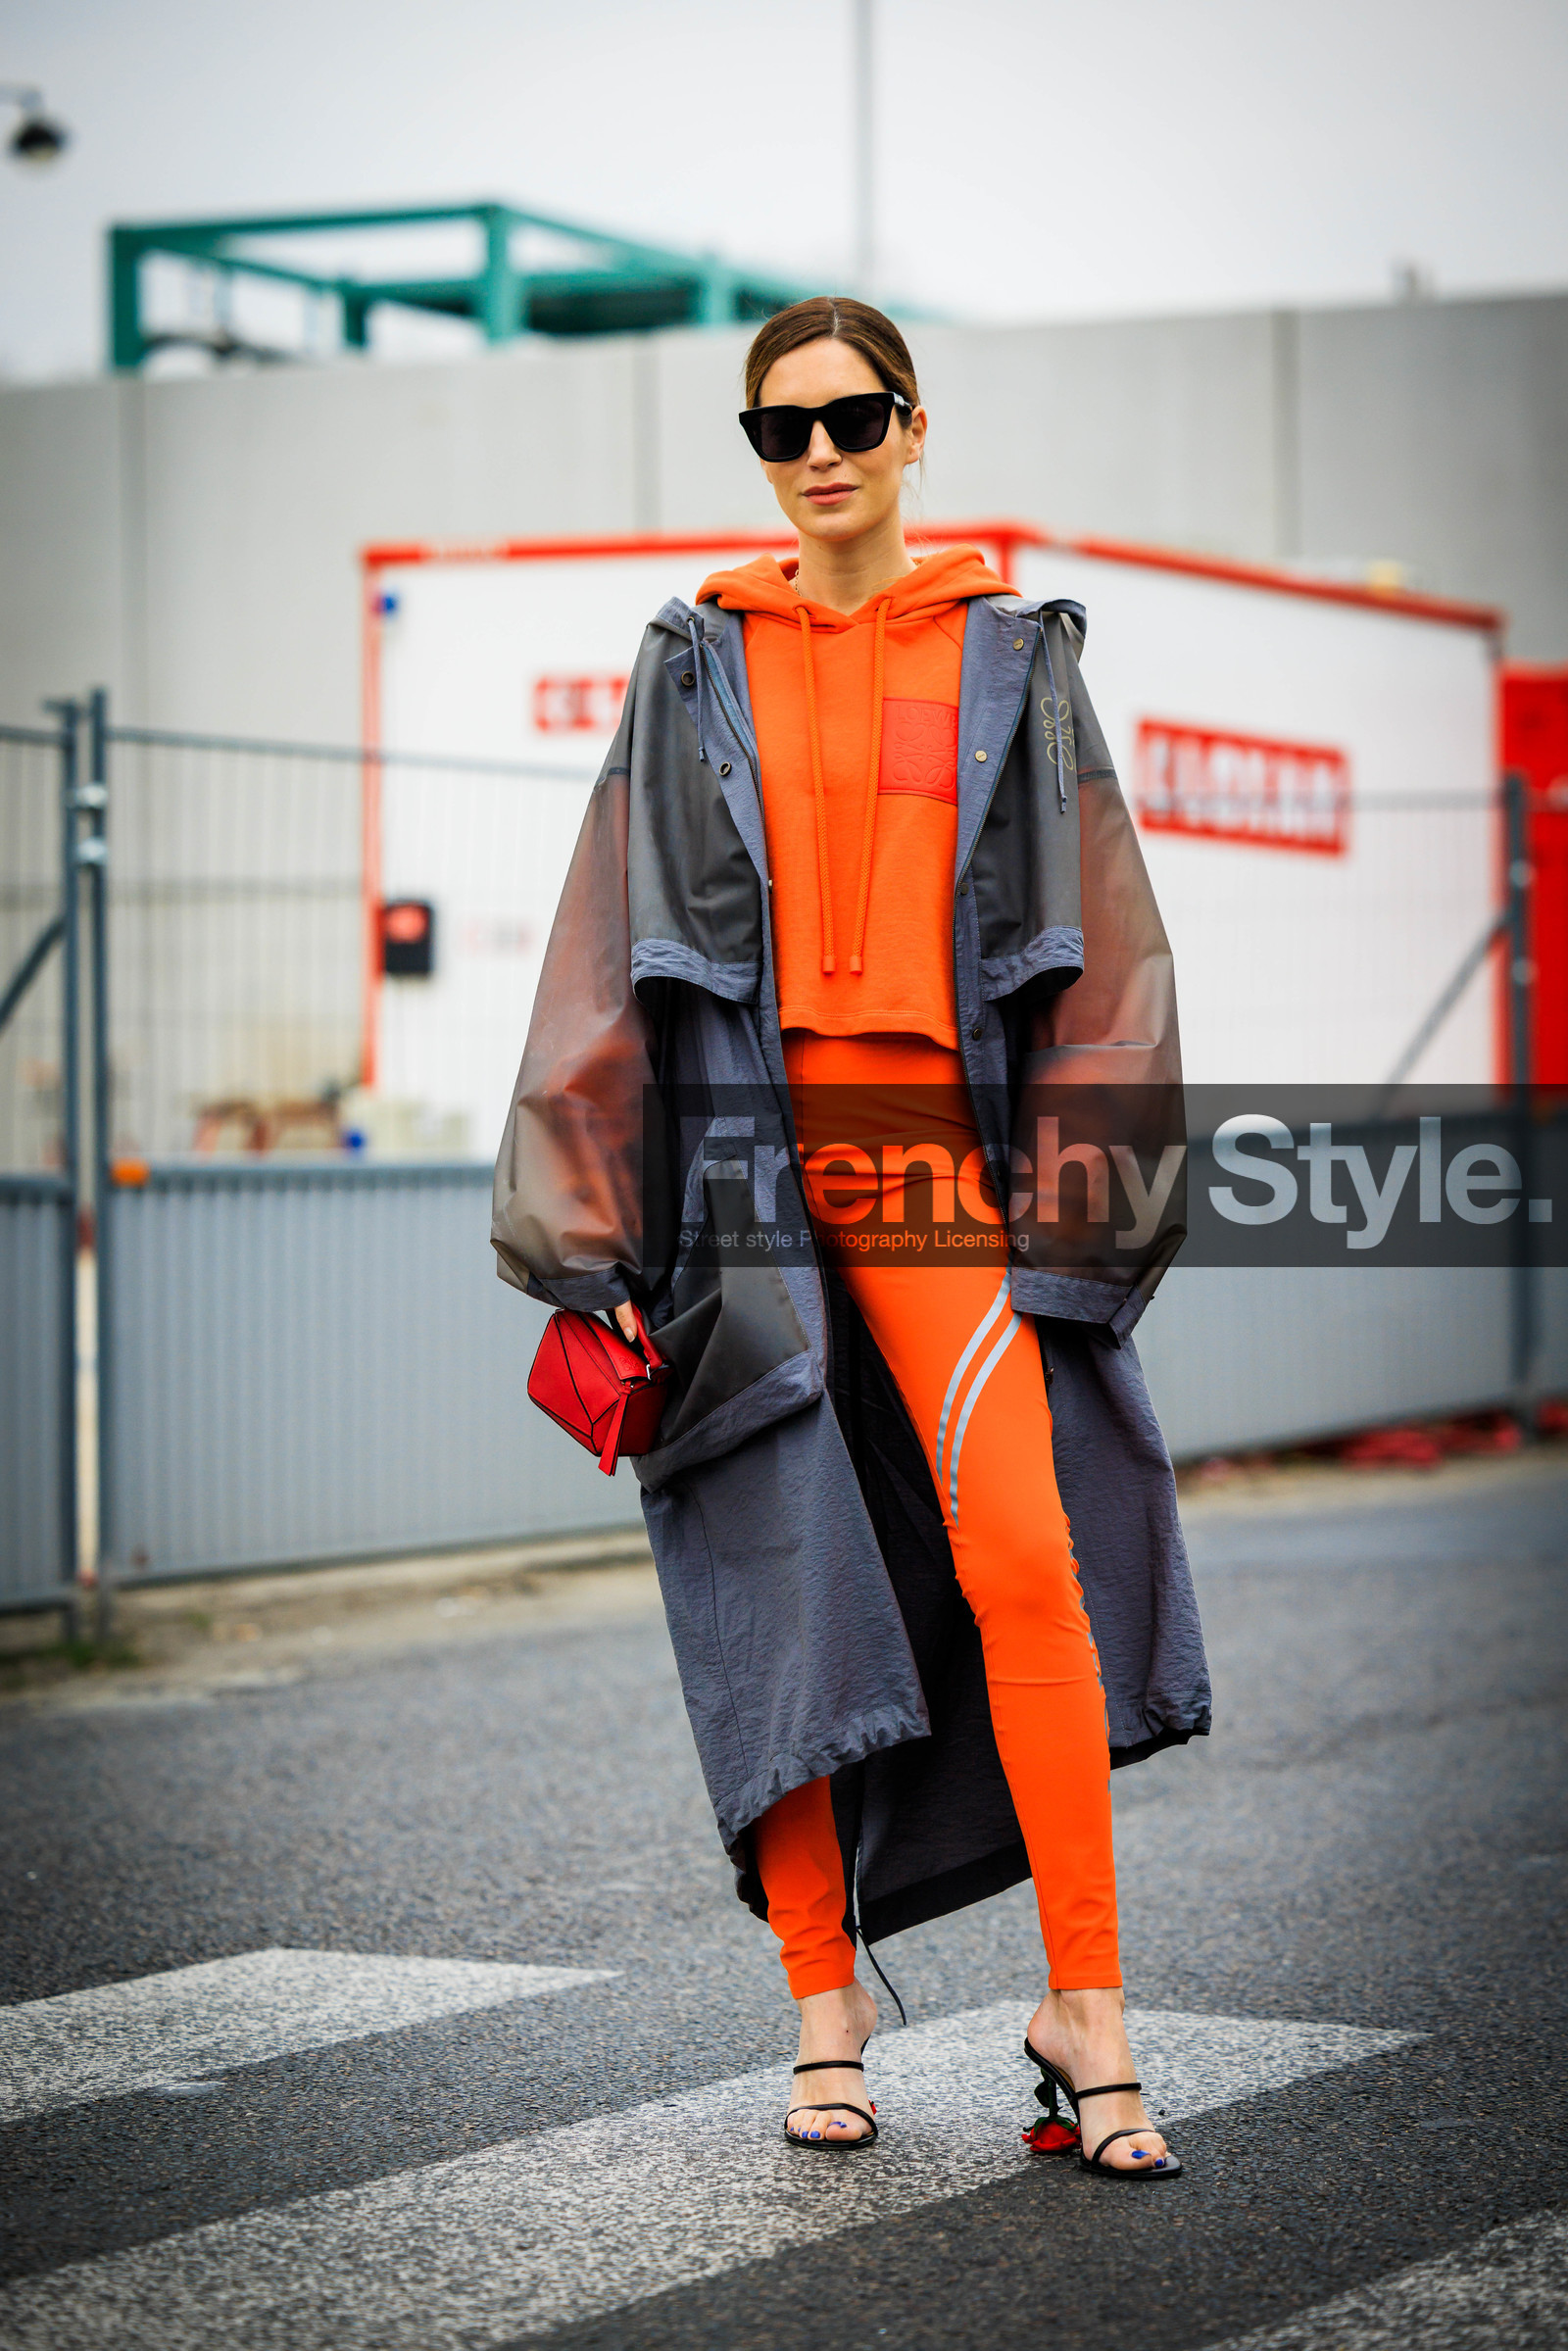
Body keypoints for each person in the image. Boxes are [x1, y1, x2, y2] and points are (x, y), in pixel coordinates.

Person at [494, 297, 1209, 2178]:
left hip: (921, 1157)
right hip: (735, 1166)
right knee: (784, 1573)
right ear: (758, 448)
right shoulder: (690, 661)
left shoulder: (1009, 658)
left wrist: (1092, 1201)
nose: (818, 453)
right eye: (779, 428)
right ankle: (825, 2007)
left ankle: (1090, 2007)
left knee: (1028, 1556)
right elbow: (601, 935)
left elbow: (1109, 956)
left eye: (853, 417)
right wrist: (586, 1213)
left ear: (912, 429)